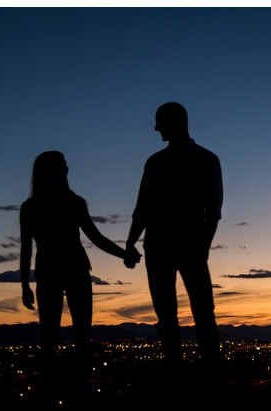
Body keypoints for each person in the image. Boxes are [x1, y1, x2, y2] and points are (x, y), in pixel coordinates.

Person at [124, 102, 224, 363]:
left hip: (168, 246)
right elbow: (212, 212)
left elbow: (142, 208)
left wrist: (131, 242)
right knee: (193, 312)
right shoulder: (202, 159)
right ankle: (195, 369)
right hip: (173, 247)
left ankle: (189, 370)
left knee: (185, 313)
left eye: (160, 121)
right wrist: (131, 242)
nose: (155, 127)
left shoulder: (172, 161)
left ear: (175, 122)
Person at [19, 151, 137, 359]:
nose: (67, 169)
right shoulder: (72, 202)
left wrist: (25, 285)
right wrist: (124, 254)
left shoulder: (32, 207)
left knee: (53, 333)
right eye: (63, 165)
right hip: (72, 268)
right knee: (73, 332)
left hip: (53, 269)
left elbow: (27, 249)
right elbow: (96, 238)